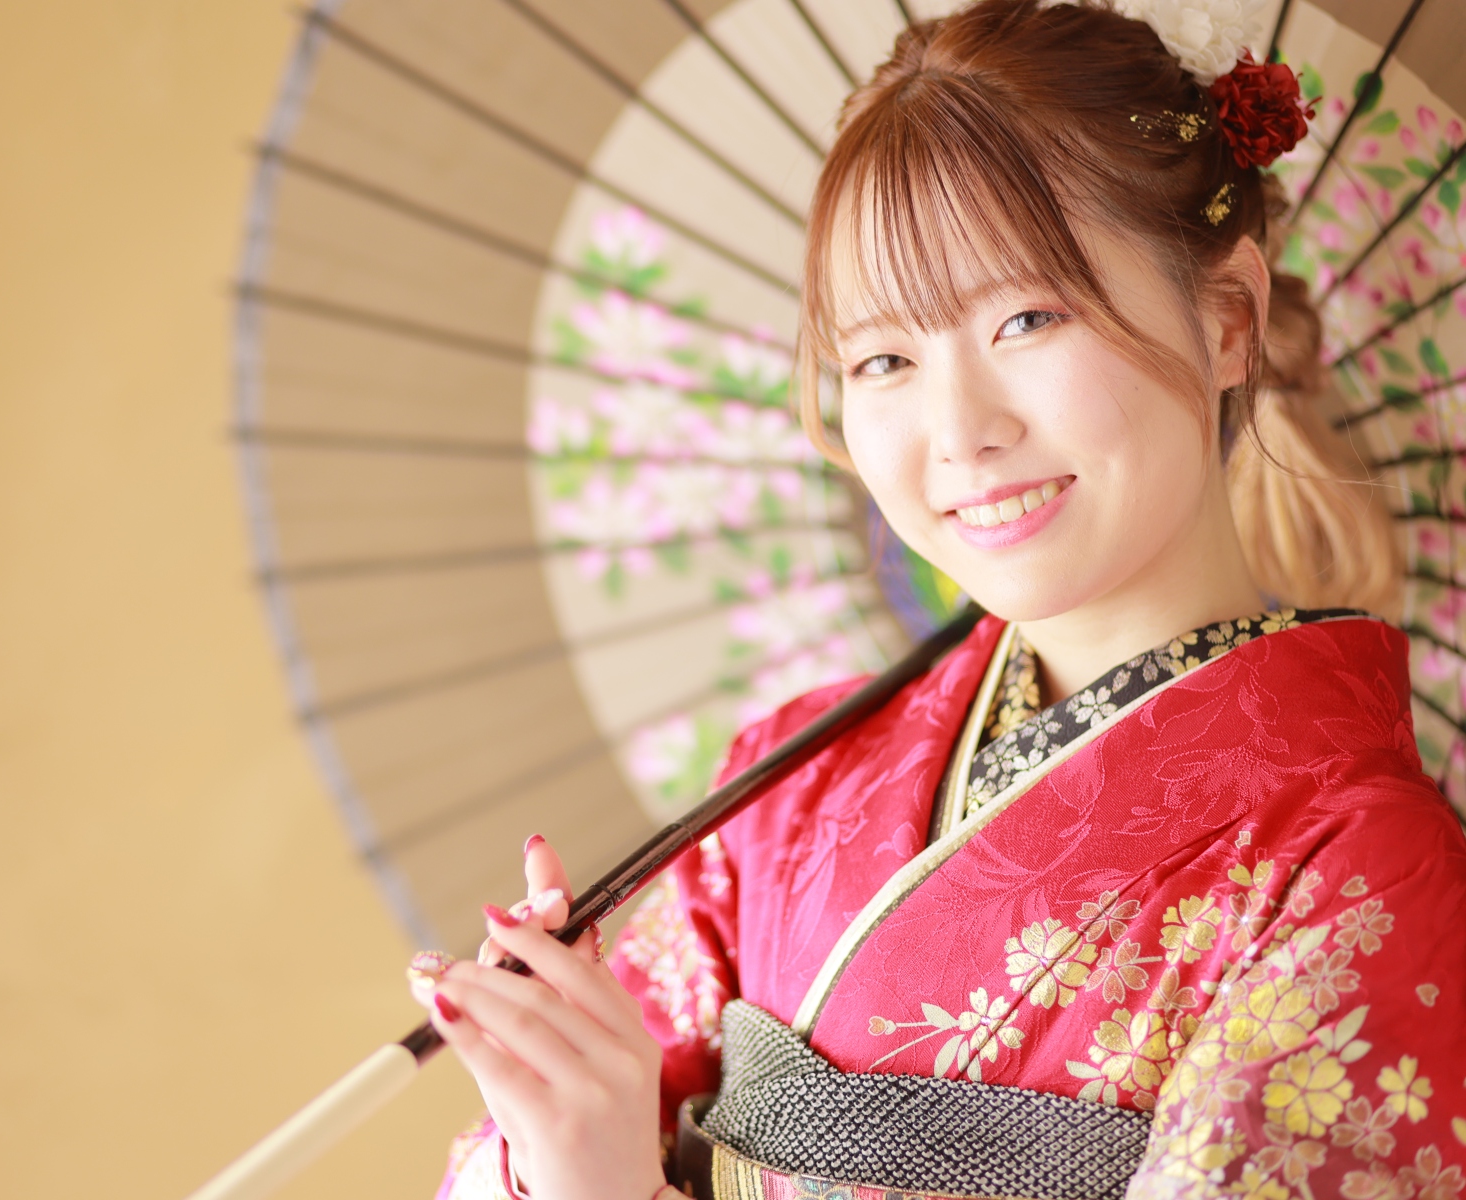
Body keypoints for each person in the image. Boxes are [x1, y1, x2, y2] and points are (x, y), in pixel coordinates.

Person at [410, 2, 1466, 1197]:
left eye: (1030, 317)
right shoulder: (792, 783)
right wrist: (556, 1120)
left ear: (1228, 321)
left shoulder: (1364, 869)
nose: (960, 432)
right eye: (884, 360)